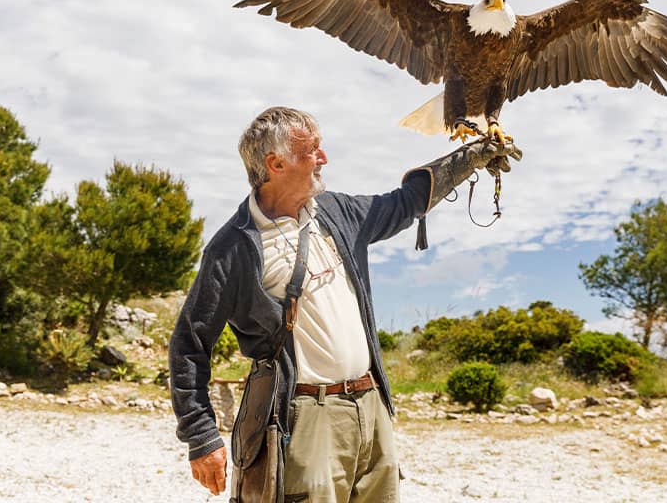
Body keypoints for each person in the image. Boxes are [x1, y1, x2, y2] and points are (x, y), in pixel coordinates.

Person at [169, 106, 512, 502]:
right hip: (304, 418)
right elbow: (189, 344)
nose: (323, 158)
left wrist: (471, 157)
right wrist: (201, 436)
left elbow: (403, 203)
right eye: (312, 150)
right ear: (276, 163)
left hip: (371, 406)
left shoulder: (337, 211)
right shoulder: (233, 247)